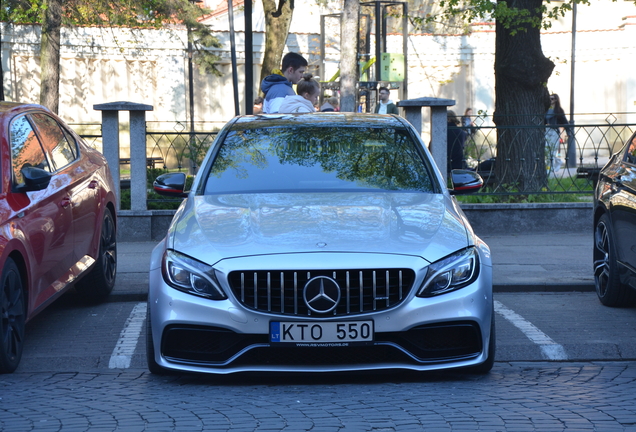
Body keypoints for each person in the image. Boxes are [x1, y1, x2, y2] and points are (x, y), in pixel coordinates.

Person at [545, 93, 568, 172]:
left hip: (554, 131)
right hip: (546, 131)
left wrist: (568, 133)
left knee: (552, 150)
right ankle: (558, 161)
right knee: (546, 150)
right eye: (549, 98)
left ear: (556, 100)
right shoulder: (546, 109)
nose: (550, 100)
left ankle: (549, 168)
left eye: (552, 99)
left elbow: (565, 122)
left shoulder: (559, 110)